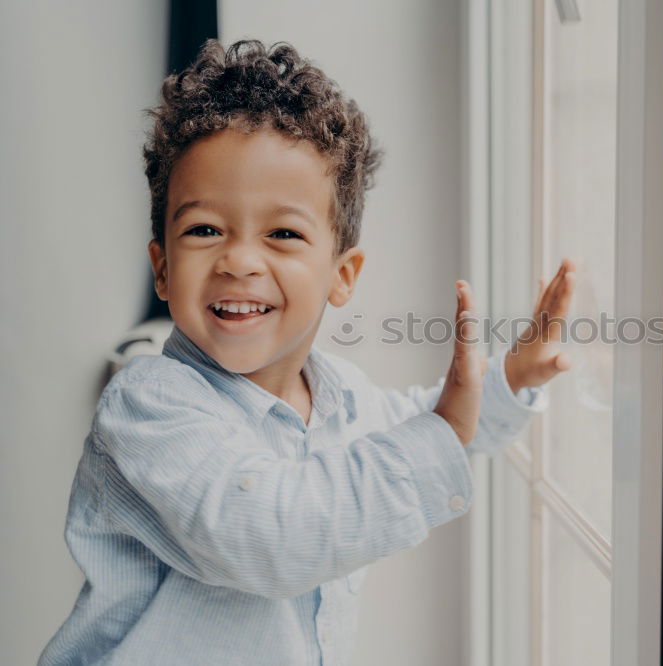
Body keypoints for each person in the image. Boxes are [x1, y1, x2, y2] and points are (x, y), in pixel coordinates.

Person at [38, 38, 575, 665]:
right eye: (204, 229)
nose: (239, 260)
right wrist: (442, 431)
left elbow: (431, 423)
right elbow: (270, 536)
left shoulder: (343, 397)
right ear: (162, 267)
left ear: (341, 275)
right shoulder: (148, 408)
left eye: (283, 233)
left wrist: (508, 379)